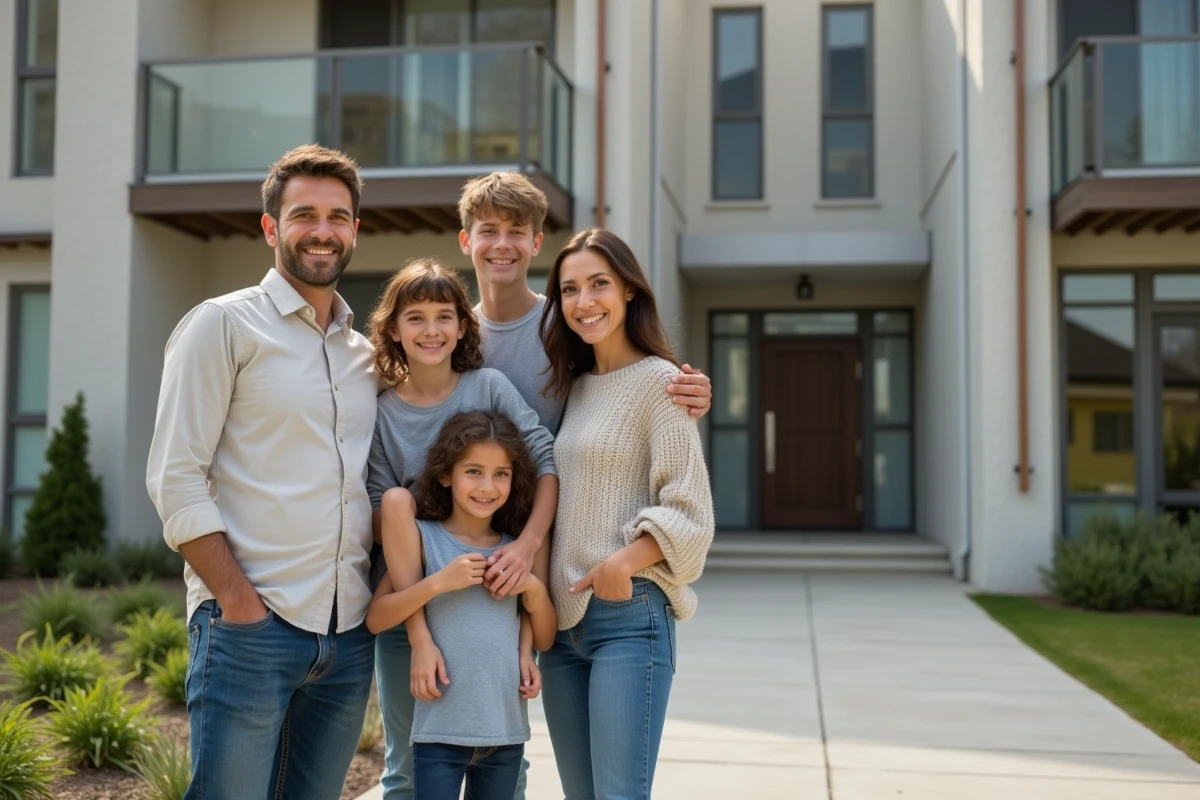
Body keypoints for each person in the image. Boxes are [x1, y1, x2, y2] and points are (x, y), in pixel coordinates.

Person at [375, 170, 715, 800]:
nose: (585, 301)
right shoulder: (449, 330)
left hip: (555, 590)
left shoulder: (566, 334)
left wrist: (687, 391)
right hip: (523, 600)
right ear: (465, 240)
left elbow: (633, 412)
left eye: (516, 232)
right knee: (421, 765)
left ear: (534, 242)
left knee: (515, 761)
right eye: (488, 231)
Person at [145, 144, 377, 798]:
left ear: (356, 230)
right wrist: (239, 603)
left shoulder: (365, 357)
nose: (324, 231)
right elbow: (175, 476)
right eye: (305, 214)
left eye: (339, 216)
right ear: (271, 227)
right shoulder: (222, 325)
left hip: (347, 637)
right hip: (250, 628)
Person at [364, 259, 559, 800]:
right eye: (416, 317)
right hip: (414, 597)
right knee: (407, 768)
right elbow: (382, 511)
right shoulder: (381, 411)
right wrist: (436, 562)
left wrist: (525, 546)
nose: (431, 330)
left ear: (462, 326)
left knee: (505, 765)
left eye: (444, 316)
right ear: (394, 328)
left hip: (491, 587)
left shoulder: (488, 387)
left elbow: (544, 462)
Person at [538, 227, 715, 800]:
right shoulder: (577, 387)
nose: (583, 302)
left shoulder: (665, 384)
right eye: (569, 290)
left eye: (599, 285)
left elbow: (689, 510)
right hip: (565, 627)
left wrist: (621, 564)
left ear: (629, 292)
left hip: (630, 616)